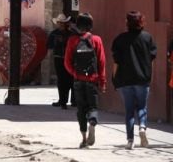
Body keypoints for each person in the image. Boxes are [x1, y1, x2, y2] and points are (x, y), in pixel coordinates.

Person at [111, 11, 156, 150]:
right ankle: (142, 127)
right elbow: (151, 60)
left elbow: (116, 62)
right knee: (142, 107)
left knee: (129, 111)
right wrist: (149, 76)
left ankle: (130, 141)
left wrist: (114, 78)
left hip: (125, 80)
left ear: (127, 22)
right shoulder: (148, 38)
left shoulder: (119, 39)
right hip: (142, 79)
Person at [64, 13, 106, 149]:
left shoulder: (72, 40)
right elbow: (101, 62)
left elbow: (67, 63)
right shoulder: (97, 40)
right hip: (92, 80)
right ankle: (92, 123)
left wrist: (75, 73)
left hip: (78, 80)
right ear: (90, 25)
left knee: (81, 109)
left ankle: (83, 139)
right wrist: (102, 81)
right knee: (93, 107)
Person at [47, 13, 75, 109]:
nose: (61, 24)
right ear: (57, 23)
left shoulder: (72, 33)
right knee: (61, 80)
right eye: (60, 23)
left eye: (63, 23)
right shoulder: (53, 34)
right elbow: (49, 47)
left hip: (70, 59)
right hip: (59, 59)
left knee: (71, 79)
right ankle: (62, 100)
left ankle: (73, 100)